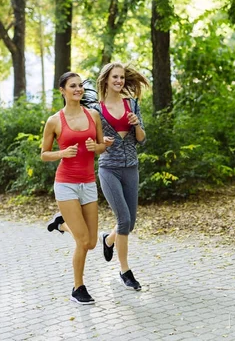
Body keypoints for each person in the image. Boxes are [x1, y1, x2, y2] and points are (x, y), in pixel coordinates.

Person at [42, 71, 112, 305]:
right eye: (73, 86)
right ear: (62, 90)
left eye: (80, 85)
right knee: (82, 241)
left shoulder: (93, 115)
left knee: (91, 242)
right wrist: (61, 153)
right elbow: (44, 154)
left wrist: (97, 146)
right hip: (66, 184)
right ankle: (78, 288)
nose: (78, 89)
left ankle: (61, 224)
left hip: (88, 183)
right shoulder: (54, 120)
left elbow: (102, 147)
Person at [94, 62, 149, 291]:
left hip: (131, 167)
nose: (119, 81)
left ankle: (107, 239)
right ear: (106, 79)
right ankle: (125, 271)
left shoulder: (132, 104)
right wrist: (102, 143)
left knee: (130, 222)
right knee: (124, 220)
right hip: (109, 168)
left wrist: (136, 125)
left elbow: (142, 139)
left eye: (122, 78)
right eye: (115, 77)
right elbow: (93, 145)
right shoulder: (96, 110)